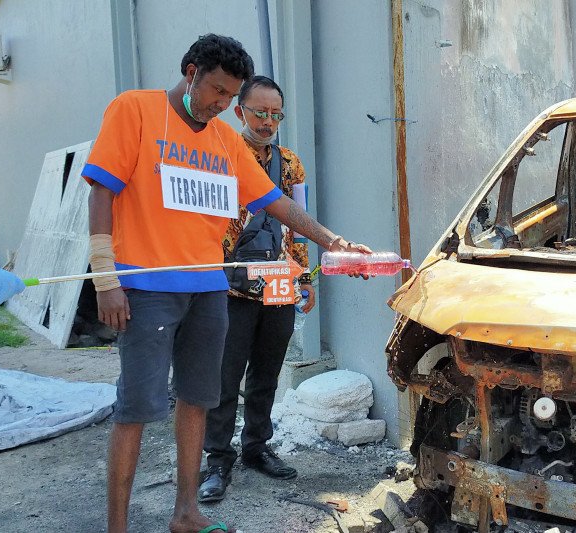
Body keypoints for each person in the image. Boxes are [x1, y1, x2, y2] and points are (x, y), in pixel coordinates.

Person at [83, 34, 369, 533]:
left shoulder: (223, 141)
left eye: (228, 96)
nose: (220, 104)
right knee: (137, 407)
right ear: (190, 71)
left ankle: (186, 514)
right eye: (216, 90)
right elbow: (102, 192)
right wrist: (106, 278)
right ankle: (117, 527)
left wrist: (331, 239)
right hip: (146, 287)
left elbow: (276, 203)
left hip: (209, 287)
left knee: (200, 398)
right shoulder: (135, 110)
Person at [199, 76, 310, 503]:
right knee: (225, 376)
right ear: (238, 111)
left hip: (279, 285)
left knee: (266, 373)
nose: (267, 122)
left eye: (275, 114)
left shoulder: (292, 164)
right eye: (259, 112)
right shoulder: (218, 153)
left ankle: (257, 447)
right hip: (227, 287)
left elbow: (300, 221)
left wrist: (304, 276)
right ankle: (217, 459)